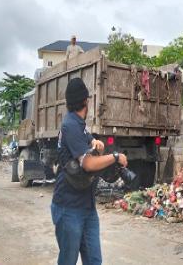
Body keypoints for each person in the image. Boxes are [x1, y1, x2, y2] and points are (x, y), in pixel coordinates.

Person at [51, 78, 128, 265]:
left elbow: (89, 155)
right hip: (69, 207)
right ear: (86, 100)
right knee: (68, 260)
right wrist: (115, 156)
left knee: (94, 260)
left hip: (87, 206)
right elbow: (87, 164)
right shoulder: (70, 125)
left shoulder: (79, 124)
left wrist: (96, 145)